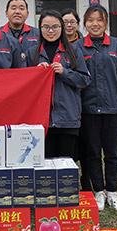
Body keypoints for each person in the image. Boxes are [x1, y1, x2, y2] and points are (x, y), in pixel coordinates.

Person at [76, 4, 117, 212]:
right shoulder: (78, 47)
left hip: (113, 109)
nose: (95, 24)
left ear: (106, 22)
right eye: (90, 20)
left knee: (112, 153)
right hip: (88, 110)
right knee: (92, 153)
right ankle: (98, 191)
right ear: (85, 23)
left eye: (99, 20)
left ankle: (112, 191)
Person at [26, 10, 90, 159]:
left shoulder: (73, 51)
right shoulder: (31, 53)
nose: (51, 31)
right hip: (41, 120)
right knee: (44, 165)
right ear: (40, 28)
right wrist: (35, 73)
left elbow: (84, 80)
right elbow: (24, 85)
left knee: (66, 164)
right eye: (46, 27)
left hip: (67, 118)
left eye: (55, 26)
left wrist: (64, 72)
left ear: (61, 27)